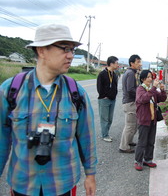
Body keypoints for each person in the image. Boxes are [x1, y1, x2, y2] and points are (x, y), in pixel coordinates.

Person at [0, 24, 97, 196]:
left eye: (73, 50)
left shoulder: (76, 93)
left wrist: (90, 174)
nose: (71, 56)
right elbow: (1, 140)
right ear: (41, 50)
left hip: (63, 184)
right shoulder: (11, 90)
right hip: (23, 184)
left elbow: (87, 138)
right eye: (65, 49)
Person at [134, 70, 167, 171]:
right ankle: (138, 161)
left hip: (153, 119)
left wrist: (162, 90)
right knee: (142, 142)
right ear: (143, 79)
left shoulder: (151, 90)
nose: (150, 79)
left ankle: (148, 159)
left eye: (151, 77)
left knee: (151, 141)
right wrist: (154, 88)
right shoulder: (140, 89)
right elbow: (144, 99)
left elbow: (162, 99)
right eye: (148, 77)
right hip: (144, 119)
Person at [119, 54, 142, 153]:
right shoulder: (130, 73)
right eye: (138, 62)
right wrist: (141, 92)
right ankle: (123, 147)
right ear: (132, 63)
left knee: (134, 124)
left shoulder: (132, 72)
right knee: (130, 125)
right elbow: (130, 89)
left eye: (140, 62)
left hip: (131, 102)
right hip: (130, 102)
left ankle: (129, 141)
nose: (140, 64)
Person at [97, 56, 119, 142]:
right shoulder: (102, 74)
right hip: (104, 99)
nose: (118, 65)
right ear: (111, 64)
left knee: (110, 119)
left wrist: (114, 94)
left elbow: (115, 86)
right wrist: (103, 95)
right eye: (116, 63)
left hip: (112, 99)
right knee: (104, 119)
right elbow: (99, 87)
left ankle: (106, 133)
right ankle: (104, 135)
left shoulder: (114, 74)